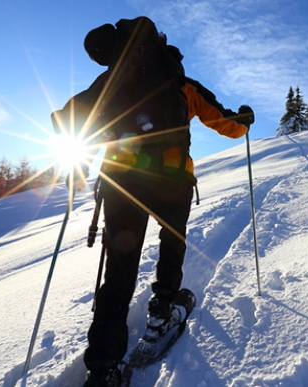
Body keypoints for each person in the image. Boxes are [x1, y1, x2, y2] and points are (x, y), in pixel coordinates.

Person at [52, 17, 254, 387]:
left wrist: (78, 156)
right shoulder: (178, 81)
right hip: (172, 181)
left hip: (121, 184)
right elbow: (224, 121)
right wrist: (245, 120)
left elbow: (65, 119)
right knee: (172, 241)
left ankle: (103, 366)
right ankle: (163, 309)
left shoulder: (109, 82)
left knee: (120, 267)